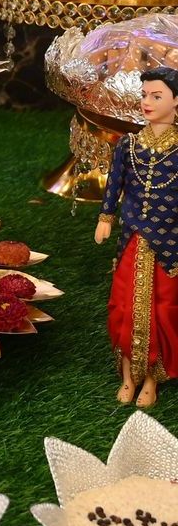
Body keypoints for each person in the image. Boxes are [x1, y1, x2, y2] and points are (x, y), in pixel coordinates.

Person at [95, 66, 178, 408]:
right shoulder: (128, 145)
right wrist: (105, 218)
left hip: (168, 243)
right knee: (124, 303)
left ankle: (152, 379)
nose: (147, 102)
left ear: (176, 101)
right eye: (144, 95)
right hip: (131, 236)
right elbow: (114, 184)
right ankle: (128, 375)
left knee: (163, 307)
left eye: (156, 96)